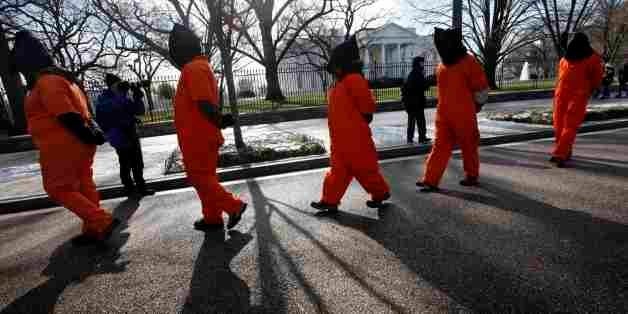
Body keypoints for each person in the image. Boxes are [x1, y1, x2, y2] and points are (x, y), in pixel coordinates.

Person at [9, 31, 119, 243]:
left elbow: (66, 113)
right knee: (84, 185)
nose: (23, 74)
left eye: (22, 68)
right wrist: (90, 135)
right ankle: (94, 229)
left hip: (63, 145)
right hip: (76, 143)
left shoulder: (47, 82)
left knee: (58, 188)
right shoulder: (64, 80)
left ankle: (101, 221)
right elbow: (82, 111)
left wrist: (86, 134)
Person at [169, 24, 246, 231]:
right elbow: (205, 103)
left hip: (197, 137)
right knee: (206, 179)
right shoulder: (199, 67)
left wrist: (219, 120)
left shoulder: (193, 69)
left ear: (181, 50)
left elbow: (203, 103)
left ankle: (234, 206)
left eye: (174, 51)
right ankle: (212, 217)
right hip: (201, 135)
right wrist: (219, 120)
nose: (173, 56)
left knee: (199, 178)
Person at [310, 35, 391, 213]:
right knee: (337, 172)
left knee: (366, 171)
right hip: (340, 140)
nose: (334, 70)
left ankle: (381, 193)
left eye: (337, 66)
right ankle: (329, 200)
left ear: (344, 65)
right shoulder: (339, 84)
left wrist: (363, 119)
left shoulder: (353, 80)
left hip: (356, 140)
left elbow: (367, 106)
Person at [416, 28, 489, 192]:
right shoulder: (446, 65)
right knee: (440, 146)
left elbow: (481, 88)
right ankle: (430, 180)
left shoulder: (464, 62)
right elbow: (481, 89)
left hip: (459, 113)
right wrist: (477, 104)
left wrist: (476, 105)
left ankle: (471, 175)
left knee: (467, 145)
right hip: (446, 114)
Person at [550, 33, 604, 167]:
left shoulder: (564, 59)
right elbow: (597, 78)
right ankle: (560, 154)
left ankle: (563, 151)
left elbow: (560, 77)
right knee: (570, 126)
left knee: (559, 125)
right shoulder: (593, 58)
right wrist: (593, 89)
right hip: (578, 95)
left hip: (561, 94)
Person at [96, 74, 155, 196]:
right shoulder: (103, 99)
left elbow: (139, 111)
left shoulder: (124, 96)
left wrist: (137, 96)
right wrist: (122, 94)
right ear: (111, 85)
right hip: (118, 135)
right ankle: (130, 190)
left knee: (138, 162)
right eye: (118, 84)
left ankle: (141, 188)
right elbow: (112, 108)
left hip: (131, 132)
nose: (121, 86)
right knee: (126, 164)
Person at [402, 56, 431, 144]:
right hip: (416, 101)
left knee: (412, 120)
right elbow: (424, 87)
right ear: (418, 63)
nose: (423, 64)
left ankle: (411, 138)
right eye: (422, 62)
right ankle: (421, 137)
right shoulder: (418, 74)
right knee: (420, 120)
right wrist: (425, 77)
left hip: (411, 102)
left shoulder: (412, 74)